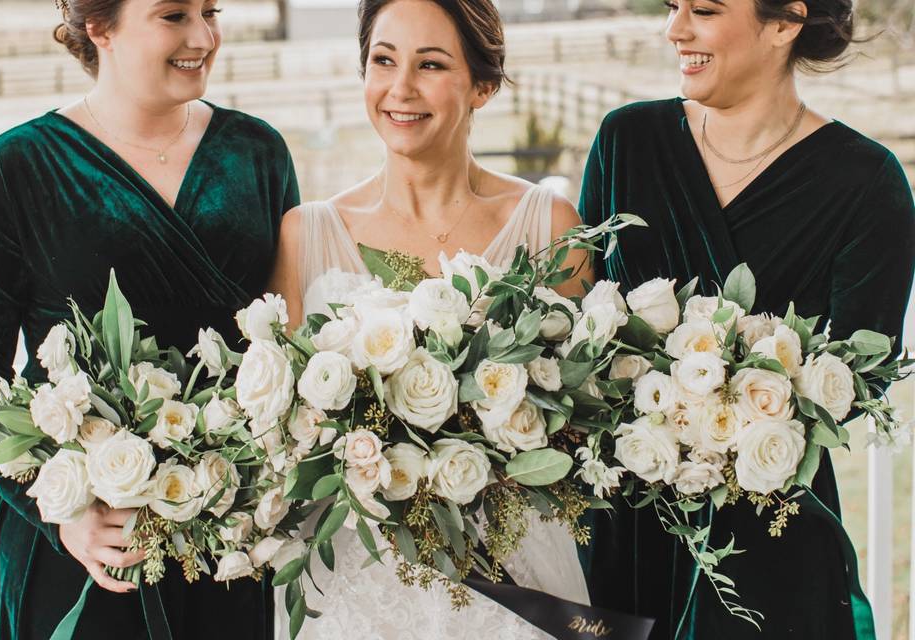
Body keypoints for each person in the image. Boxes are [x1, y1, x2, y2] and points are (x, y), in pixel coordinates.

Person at [0, 0, 299, 636]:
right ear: (99, 26)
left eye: (210, 10)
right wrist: (55, 506)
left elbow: (286, 343)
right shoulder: (19, 169)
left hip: (222, 547)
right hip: (85, 550)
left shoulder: (258, 154)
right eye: (173, 15)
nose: (203, 35)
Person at [577, 0, 915, 638]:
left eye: (703, 10)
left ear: (786, 23)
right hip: (626, 526)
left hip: (770, 537)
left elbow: (858, 385)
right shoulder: (626, 142)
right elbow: (578, 329)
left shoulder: (867, 183)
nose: (675, 29)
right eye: (674, 7)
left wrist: (724, 411)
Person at [269, 0, 592, 637]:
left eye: (431, 64)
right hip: (352, 596)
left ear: (483, 85)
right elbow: (283, 439)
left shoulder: (550, 228)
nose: (401, 89)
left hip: (515, 586)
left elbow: (580, 430)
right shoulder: (304, 235)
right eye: (383, 61)